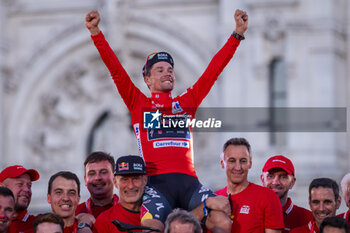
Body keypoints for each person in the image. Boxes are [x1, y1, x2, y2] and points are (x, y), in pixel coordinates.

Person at [85, 8, 247, 232]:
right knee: (150, 228)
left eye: (170, 69)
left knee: (222, 219)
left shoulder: (186, 103)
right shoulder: (138, 104)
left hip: (190, 183)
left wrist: (236, 35)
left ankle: (193, 214)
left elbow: (213, 71)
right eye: (160, 70)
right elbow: (115, 70)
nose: (168, 73)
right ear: (147, 79)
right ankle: (187, 217)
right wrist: (96, 33)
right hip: (157, 186)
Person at [216, 137, 284, 233]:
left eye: (243, 161)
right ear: (222, 163)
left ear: (250, 163)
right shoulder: (213, 199)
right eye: (232, 161)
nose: (238, 167)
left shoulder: (267, 197)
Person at [91, 155, 147, 233]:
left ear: (145, 180)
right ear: (115, 182)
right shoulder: (105, 220)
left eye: (136, 179)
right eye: (124, 180)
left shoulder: (159, 215)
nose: (131, 186)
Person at [261, 155, 313, 232]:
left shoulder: (308, 218)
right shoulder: (252, 213)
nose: (275, 182)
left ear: (292, 182)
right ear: (262, 180)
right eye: (270, 176)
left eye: (283, 177)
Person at [76, 151, 119, 218]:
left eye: (103, 172)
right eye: (92, 173)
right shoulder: (75, 213)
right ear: (85, 180)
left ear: (114, 177)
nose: (97, 178)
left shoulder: (128, 210)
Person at [0, 165, 40, 233]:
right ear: (2, 187)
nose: (27, 189)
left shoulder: (40, 224)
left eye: (29, 186)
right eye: (20, 184)